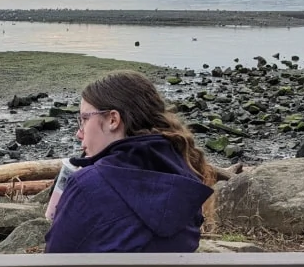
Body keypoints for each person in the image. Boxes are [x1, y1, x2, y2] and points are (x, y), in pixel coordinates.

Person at [45, 70, 215, 253]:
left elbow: (55, 261)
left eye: (85, 119)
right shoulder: (187, 180)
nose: (79, 133)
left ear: (113, 119)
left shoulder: (87, 186)